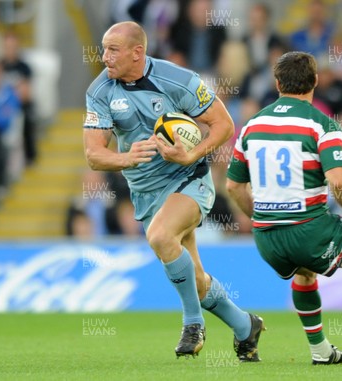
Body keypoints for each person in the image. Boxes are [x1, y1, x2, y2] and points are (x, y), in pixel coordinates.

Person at [82, 21, 263, 360]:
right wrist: (125, 157)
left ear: (138, 52)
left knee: (162, 237)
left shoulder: (177, 79)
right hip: (145, 191)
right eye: (104, 48)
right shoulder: (99, 90)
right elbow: (94, 155)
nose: (104, 56)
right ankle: (244, 326)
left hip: (188, 179)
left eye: (113, 50)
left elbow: (223, 124)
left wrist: (191, 153)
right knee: (194, 276)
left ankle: (193, 323)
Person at [226, 52, 342, 366]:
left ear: (277, 83)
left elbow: (233, 186)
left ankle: (321, 351)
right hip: (309, 232)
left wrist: (260, 218)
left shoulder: (251, 126)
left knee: (304, 272)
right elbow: (339, 181)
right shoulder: (321, 125)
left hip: (266, 240)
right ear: (315, 81)